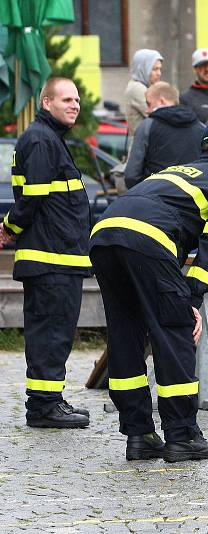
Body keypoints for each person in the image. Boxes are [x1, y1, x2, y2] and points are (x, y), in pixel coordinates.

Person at [89, 119, 208, 462]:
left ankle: (140, 435)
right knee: (174, 330)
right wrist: (190, 299)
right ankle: (182, 436)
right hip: (146, 240)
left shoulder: (174, 172)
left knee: (125, 334)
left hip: (104, 233)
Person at [0, 78, 92, 428]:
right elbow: (33, 199)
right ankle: (42, 407)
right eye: (66, 99)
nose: (74, 105)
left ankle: (50, 399)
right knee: (50, 334)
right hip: (51, 257)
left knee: (56, 334)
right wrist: (10, 227)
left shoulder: (48, 138)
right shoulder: (40, 139)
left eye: (77, 100)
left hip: (59, 256)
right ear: (46, 102)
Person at [124, 81, 204, 189]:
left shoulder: (148, 126)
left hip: (156, 198)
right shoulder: (201, 127)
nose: (147, 110)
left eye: (148, 104)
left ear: (162, 101)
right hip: (194, 200)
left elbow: (131, 175)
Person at [124, 49, 163, 147]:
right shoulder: (137, 88)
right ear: (143, 68)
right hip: (142, 148)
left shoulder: (145, 87)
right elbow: (159, 115)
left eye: (159, 69)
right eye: (154, 69)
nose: (159, 73)